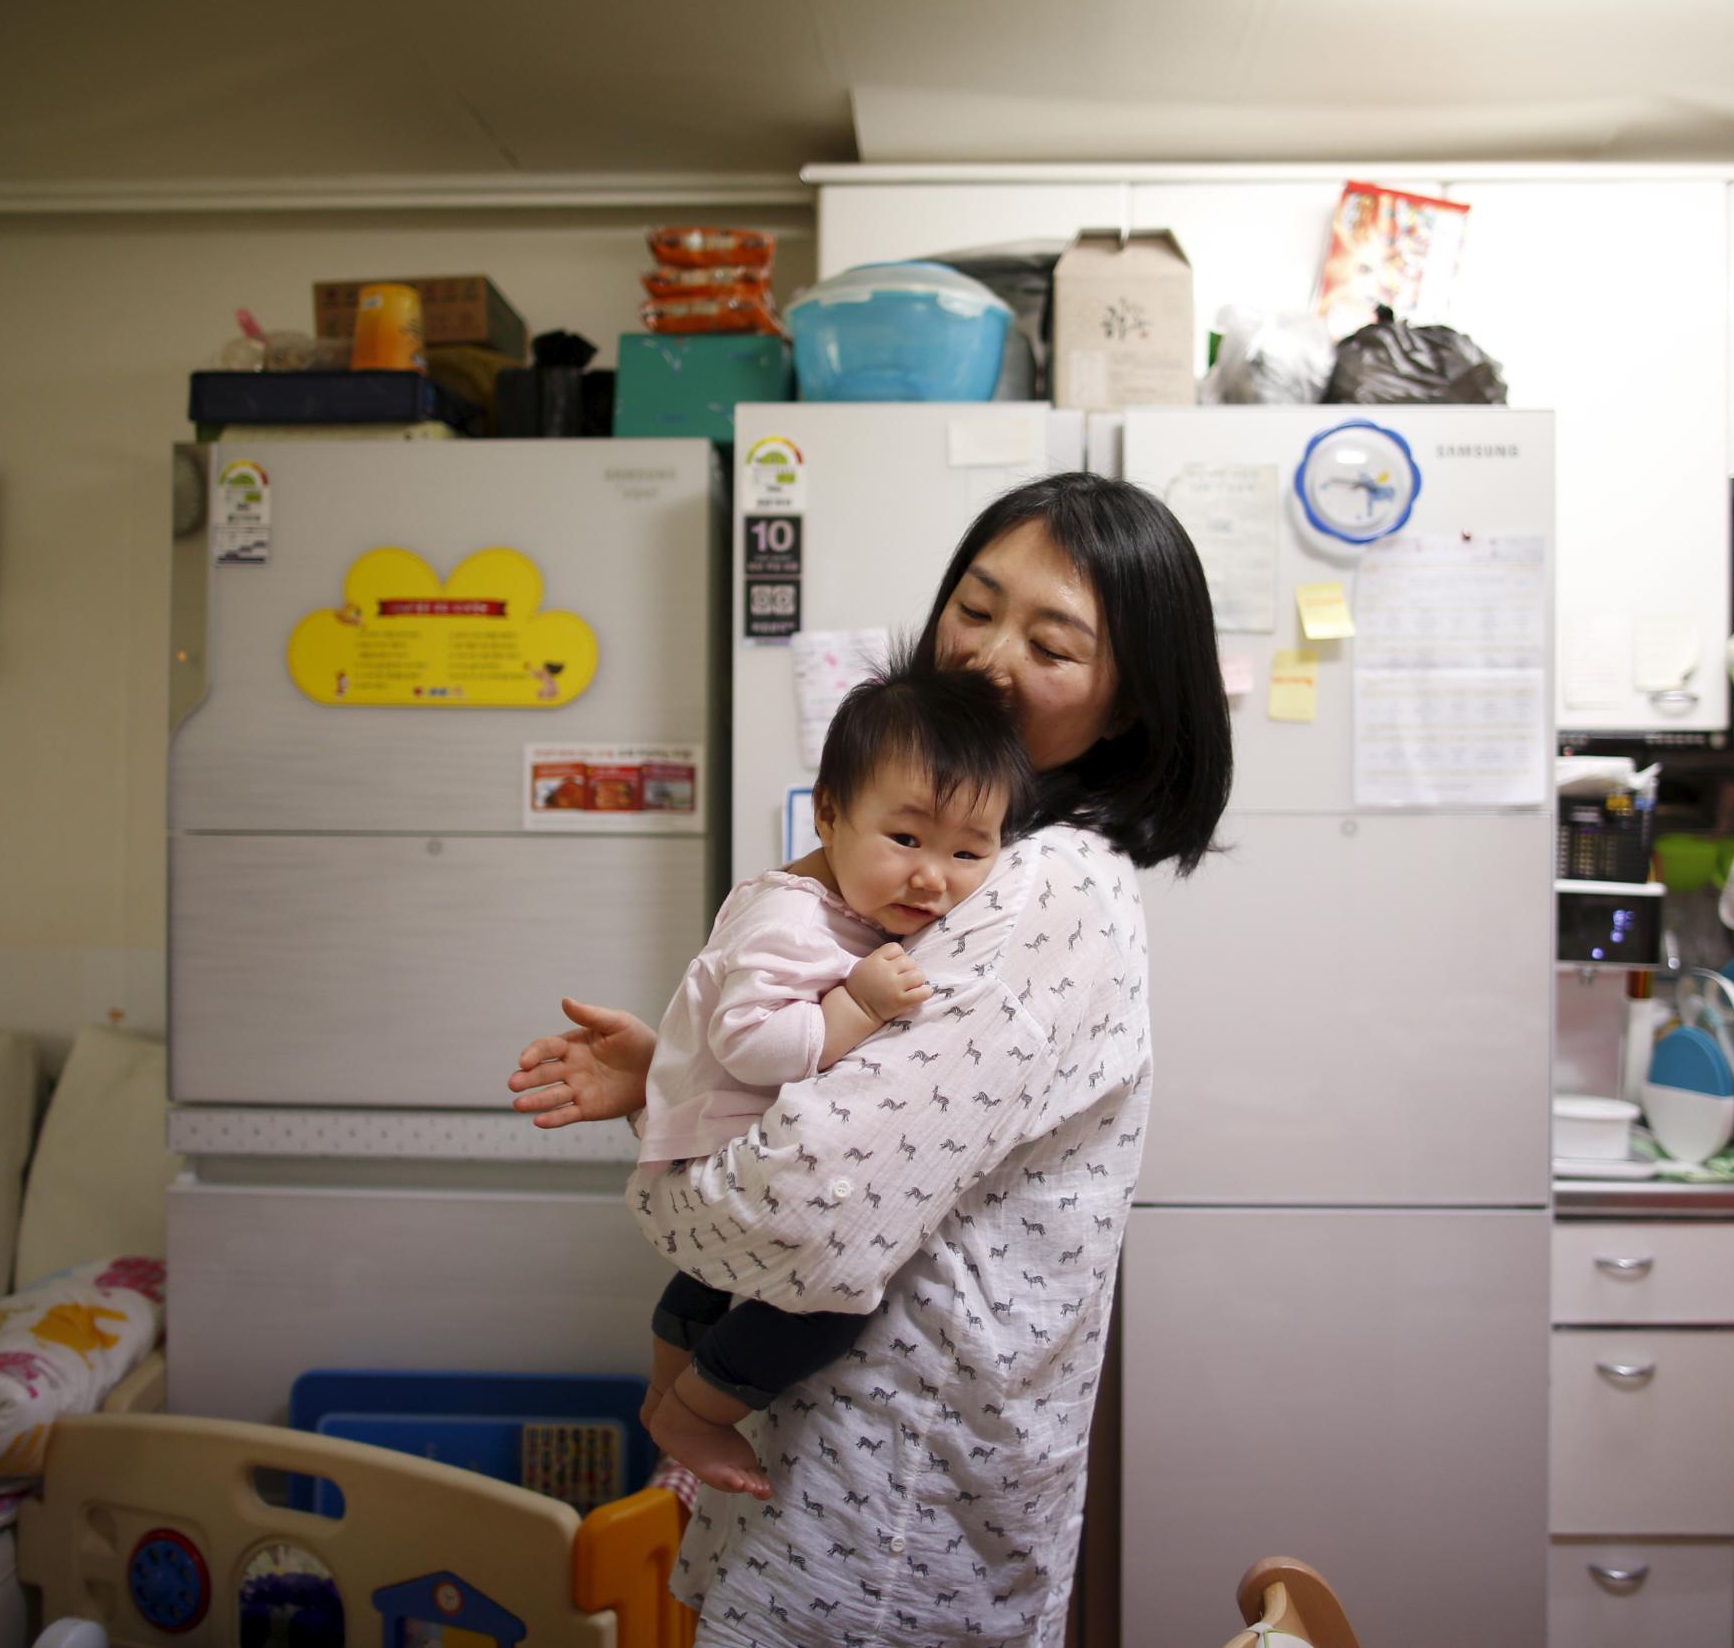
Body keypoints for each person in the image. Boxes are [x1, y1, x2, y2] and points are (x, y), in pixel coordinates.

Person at [512, 472, 1233, 1647]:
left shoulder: (1043, 891)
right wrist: (676, 1079)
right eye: (975, 604)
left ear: (1129, 707)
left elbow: (807, 1214)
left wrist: (665, 1173)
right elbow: (872, 1114)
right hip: (850, 1488)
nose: (988, 657)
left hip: (886, 1519)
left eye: (1049, 643)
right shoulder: (980, 861)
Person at [638, 660, 1033, 1500]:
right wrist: (854, 1005)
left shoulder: (839, 906)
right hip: (717, 1155)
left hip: (712, 1151)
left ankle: (664, 1387)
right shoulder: (792, 919)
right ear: (828, 812)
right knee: (833, 1295)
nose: (935, 876)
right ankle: (694, 1412)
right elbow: (749, 1041)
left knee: (717, 1280)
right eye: (907, 839)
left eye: (970, 850)